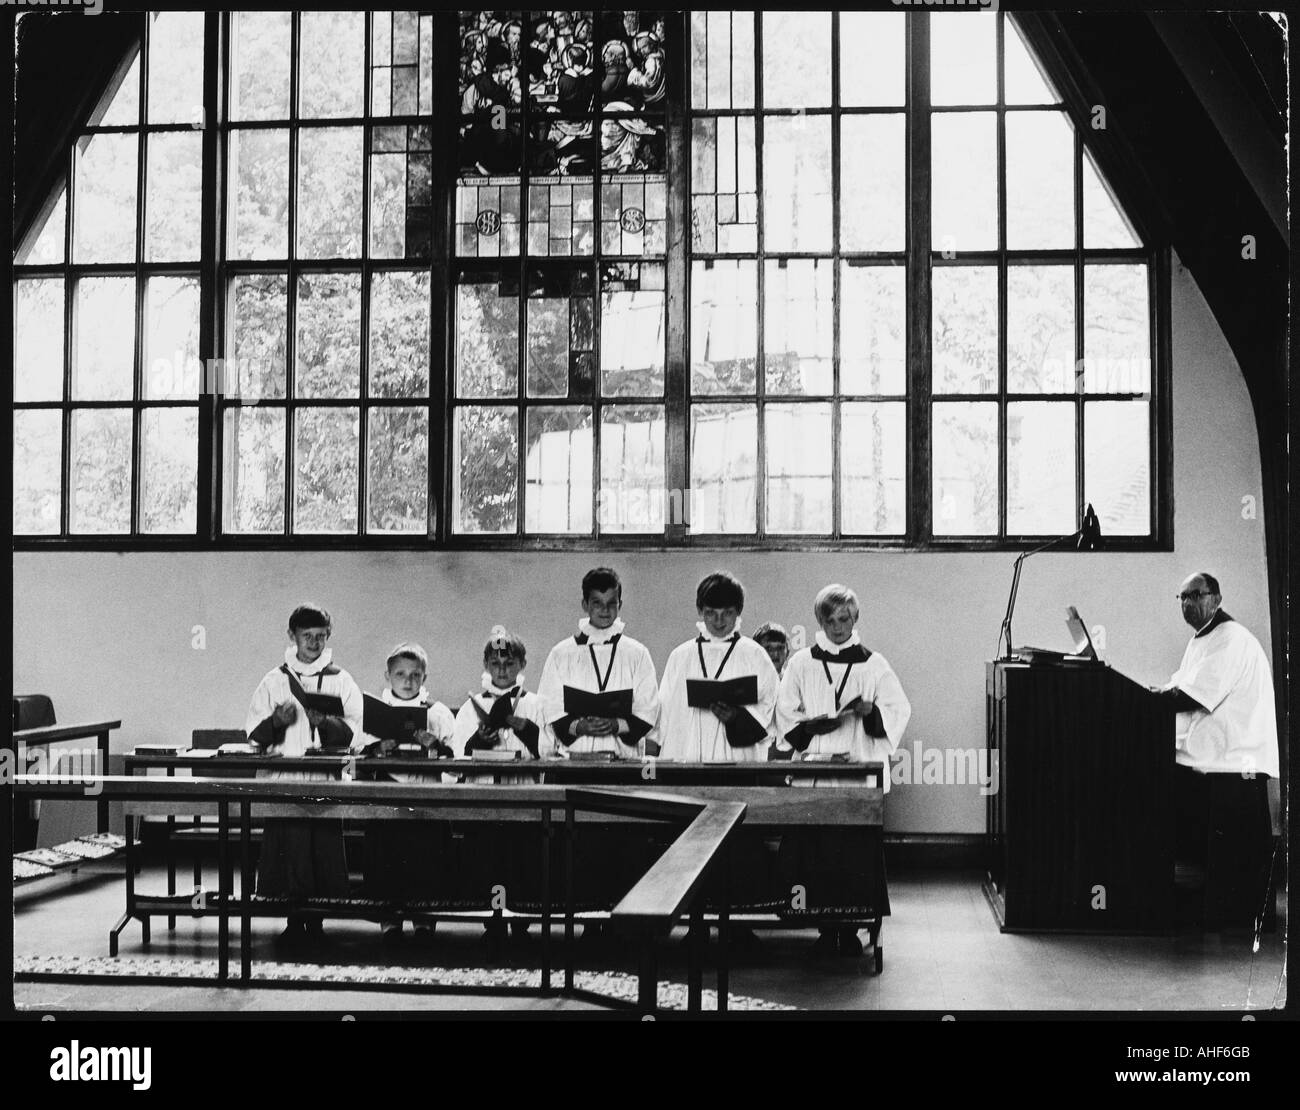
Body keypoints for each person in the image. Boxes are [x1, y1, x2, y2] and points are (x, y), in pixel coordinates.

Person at [776, 584, 912, 956]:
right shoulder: (802, 663)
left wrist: (874, 714)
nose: (838, 627)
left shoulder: (873, 663)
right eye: (830, 620)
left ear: (855, 619)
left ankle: (852, 926)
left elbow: (899, 710)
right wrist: (810, 726)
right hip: (817, 768)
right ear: (820, 621)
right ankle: (823, 927)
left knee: (852, 853)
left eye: (845, 619)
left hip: (857, 765)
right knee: (816, 851)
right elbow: (785, 711)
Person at [1156, 573, 1278, 930]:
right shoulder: (1202, 639)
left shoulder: (1230, 639)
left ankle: (1208, 909)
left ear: (1217, 598)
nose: (1187, 604)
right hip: (1210, 758)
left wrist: (1154, 701)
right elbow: (1179, 684)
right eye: (1181, 597)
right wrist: (1154, 694)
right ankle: (1183, 900)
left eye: (1196, 595)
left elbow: (1193, 696)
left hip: (1233, 761)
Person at [244, 603, 363, 946]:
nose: (313, 643)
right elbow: (253, 733)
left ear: (328, 637)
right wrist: (276, 723)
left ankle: (318, 918)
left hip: (323, 778)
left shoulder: (341, 680)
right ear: (292, 636)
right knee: (289, 846)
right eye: (306, 636)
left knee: (320, 847)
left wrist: (325, 723)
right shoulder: (274, 680)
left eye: (320, 636)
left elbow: (357, 731)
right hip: (286, 778)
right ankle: (294, 918)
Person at [452, 626, 550, 944]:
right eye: (495, 664)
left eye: (509, 663)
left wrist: (528, 731)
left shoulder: (535, 704)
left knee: (520, 857)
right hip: (484, 792)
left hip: (522, 792)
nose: (503, 670)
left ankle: (520, 919)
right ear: (486, 665)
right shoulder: (471, 707)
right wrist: (478, 739)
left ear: (522, 664)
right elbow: (457, 754)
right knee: (488, 856)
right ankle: (493, 920)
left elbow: (550, 750)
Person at [358, 642, 456, 945]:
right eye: (400, 673)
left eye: (415, 674)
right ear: (388, 676)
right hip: (386, 795)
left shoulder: (437, 713)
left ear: (424, 678)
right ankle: (389, 922)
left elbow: (456, 763)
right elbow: (351, 762)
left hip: (426, 797)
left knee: (426, 861)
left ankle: (425, 921)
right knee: (387, 859)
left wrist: (436, 747)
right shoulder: (371, 714)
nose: (408, 680)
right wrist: (376, 749)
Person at [537, 567, 659, 759]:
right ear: (585, 605)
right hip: (574, 759)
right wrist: (579, 726)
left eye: (612, 603)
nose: (605, 610)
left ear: (620, 604)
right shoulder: (561, 654)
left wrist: (616, 725)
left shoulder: (637, 654)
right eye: (597, 603)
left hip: (623, 759)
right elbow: (549, 707)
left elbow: (648, 708)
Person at [657, 572, 778, 763]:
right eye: (711, 613)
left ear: (738, 611)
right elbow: (664, 713)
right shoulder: (681, 656)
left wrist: (736, 717)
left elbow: (769, 712)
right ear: (700, 610)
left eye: (727, 613)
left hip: (736, 758)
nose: (719, 621)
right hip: (688, 756)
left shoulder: (754, 654)